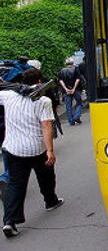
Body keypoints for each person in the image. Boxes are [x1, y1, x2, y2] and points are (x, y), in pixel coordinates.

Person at [1, 68, 64, 238]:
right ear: (39, 82)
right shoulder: (43, 101)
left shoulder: (7, 96)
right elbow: (46, 126)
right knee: (46, 176)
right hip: (37, 148)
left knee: (15, 185)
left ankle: (10, 222)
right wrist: (50, 150)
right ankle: (51, 201)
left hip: (13, 149)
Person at [57, 58, 83, 126]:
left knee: (68, 106)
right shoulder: (76, 69)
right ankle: (77, 116)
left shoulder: (62, 70)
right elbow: (78, 79)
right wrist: (74, 88)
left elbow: (60, 81)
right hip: (76, 90)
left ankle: (71, 121)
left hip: (66, 91)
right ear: (72, 62)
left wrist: (66, 89)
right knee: (79, 103)